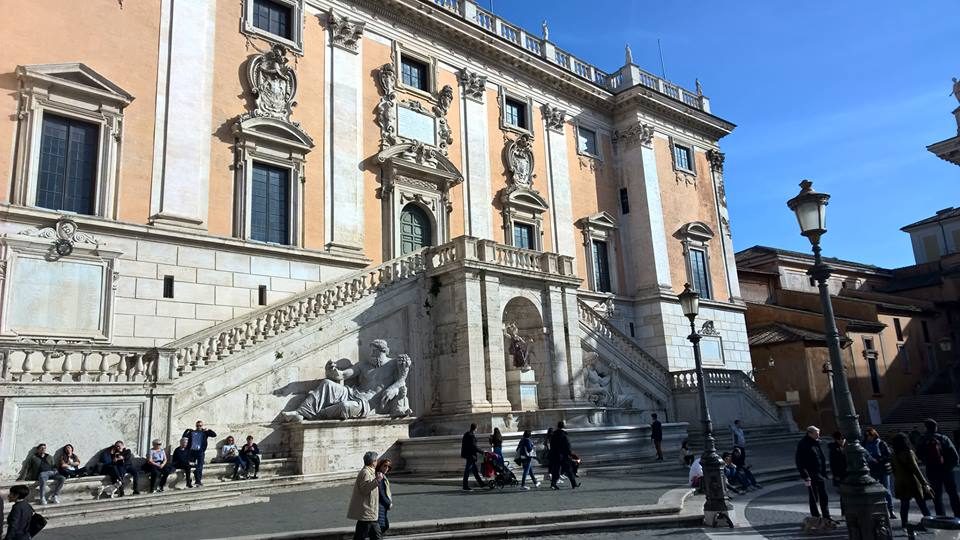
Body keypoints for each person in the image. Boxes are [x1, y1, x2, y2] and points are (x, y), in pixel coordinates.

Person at [916, 418, 960, 517]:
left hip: (932, 471)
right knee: (953, 494)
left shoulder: (922, 440)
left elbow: (918, 455)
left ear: (926, 428)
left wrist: (926, 461)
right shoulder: (943, 438)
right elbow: (955, 456)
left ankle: (941, 516)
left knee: (937, 496)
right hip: (947, 471)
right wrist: (949, 467)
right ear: (936, 427)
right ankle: (958, 514)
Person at [890, 432, 932, 527]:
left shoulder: (893, 454)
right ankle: (929, 523)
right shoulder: (909, 452)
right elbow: (915, 469)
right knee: (922, 504)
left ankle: (904, 524)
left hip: (900, 483)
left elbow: (893, 469)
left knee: (904, 505)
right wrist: (924, 483)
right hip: (912, 482)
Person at [795, 426, 832, 522]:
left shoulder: (816, 442)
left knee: (823, 495)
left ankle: (826, 515)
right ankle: (816, 516)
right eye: (816, 434)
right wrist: (805, 476)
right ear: (809, 433)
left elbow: (820, 457)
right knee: (813, 497)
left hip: (818, 473)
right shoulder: (803, 444)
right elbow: (799, 461)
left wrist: (823, 472)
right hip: (810, 474)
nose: (818, 435)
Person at [347, 451, 383, 540]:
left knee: (366, 534)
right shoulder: (365, 473)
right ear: (373, 462)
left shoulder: (369, 472)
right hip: (367, 510)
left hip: (368, 511)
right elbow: (364, 489)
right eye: (376, 460)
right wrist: (377, 481)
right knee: (374, 535)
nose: (377, 462)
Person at [863, 427, 895, 519]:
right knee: (874, 491)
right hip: (872, 469)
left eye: (870, 435)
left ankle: (891, 510)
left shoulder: (881, 443)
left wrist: (879, 459)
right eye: (867, 436)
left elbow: (888, 455)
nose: (868, 437)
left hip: (882, 468)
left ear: (874, 435)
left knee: (886, 490)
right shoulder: (864, 444)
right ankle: (879, 510)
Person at [181, 420, 217, 487]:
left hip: (200, 451)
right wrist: (187, 430)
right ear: (196, 426)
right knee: (189, 466)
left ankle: (198, 481)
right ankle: (189, 481)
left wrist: (208, 430)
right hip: (192, 451)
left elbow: (214, 435)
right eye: (197, 426)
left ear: (202, 426)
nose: (199, 427)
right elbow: (184, 436)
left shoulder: (204, 433)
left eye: (200, 426)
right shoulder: (192, 432)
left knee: (200, 466)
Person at [548, 421, 578, 490]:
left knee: (556, 470)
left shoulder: (554, 434)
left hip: (555, 455)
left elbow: (551, 445)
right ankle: (574, 484)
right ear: (563, 426)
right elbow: (568, 445)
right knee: (569, 470)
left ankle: (553, 484)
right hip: (563, 455)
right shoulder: (564, 435)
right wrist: (570, 453)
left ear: (557, 426)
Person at [827, 431, 847, 514]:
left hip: (847, 473)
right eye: (840, 439)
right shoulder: (834, 449)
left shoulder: (846, 446)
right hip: (840, 475)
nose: (842, 441)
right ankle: (844, 511)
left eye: (843, 439)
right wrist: (836, 476)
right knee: (843, 493)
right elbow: (833, 464)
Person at [460, 424, 484, 491]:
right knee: (467, 471)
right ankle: (465, 486)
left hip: (468, 454)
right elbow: (474, 446)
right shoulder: (471, 436)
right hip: (471, 455)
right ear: (475, 428)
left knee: (475, 471)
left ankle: (481, 483)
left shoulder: (466, 434)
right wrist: (482, 452)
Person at [376, 458, 393, 536]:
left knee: (383, 526)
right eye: (385, 466)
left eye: (388, 467)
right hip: (380, 506)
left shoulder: (382, 476)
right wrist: (388, 503)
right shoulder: (380, 477)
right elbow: (381, 493)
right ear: (380, 466)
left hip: (382, 506)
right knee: (382, 526)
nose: (387, 468)